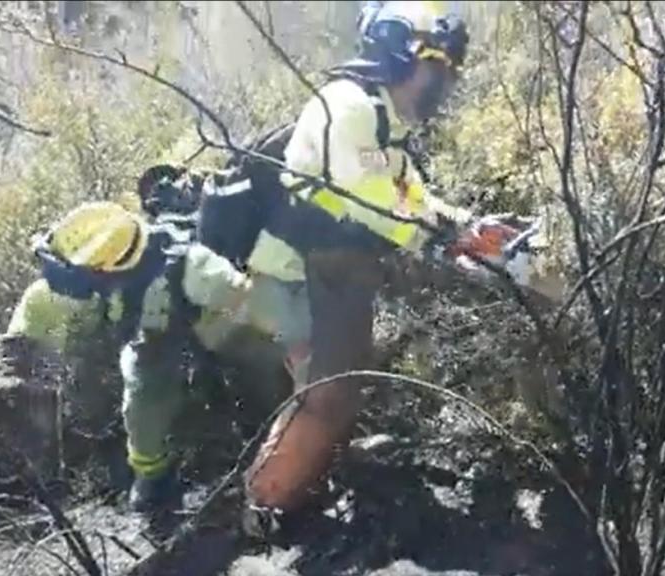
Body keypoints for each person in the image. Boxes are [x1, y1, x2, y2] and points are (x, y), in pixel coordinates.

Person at [197, 0, 539, 516]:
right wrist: (449, 235)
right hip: (298, 275)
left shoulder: (385, 118)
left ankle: (309, 470)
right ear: (398, 56)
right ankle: (263, 507)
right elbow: (370, 198)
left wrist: (470, 228)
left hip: (332, 273)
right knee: (326, 398)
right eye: (436, 68)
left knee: (339, 385)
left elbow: (408, 197)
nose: (441, 85)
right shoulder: (350, 108)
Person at [0, 200, 303, 511]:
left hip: (211, 336)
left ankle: (270, 424)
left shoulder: (193, 269)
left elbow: (255, 305)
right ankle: (151, 465)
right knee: (145, 384)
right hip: (154, 344)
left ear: (101, 269)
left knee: (161, 383)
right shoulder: (104, 284)